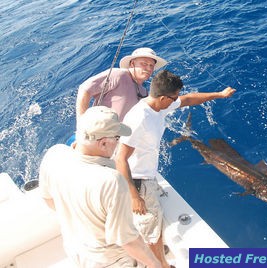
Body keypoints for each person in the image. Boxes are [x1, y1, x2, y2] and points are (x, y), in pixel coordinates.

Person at [115, 70, 236, 268]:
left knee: (151, 228)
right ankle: (160, 265)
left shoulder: (158, 106)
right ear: (163, 97)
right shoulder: (139, 119)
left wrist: (219, 94)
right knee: (152, 232)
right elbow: (121, 159)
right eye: (174, 98)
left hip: (146, 176)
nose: (176, 101)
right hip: (138, 181)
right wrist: (135, 196)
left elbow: (188, 99)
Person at [39, 106, 161, 268]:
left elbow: (48, 199)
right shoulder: (112, 180)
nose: (119, 143)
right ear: (103, 143)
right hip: (112, 261)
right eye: (117, 138)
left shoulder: (54, 154)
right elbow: (127, 241)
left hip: (76, 250)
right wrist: (155, 265)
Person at [76, 47, 167, 122]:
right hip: (96, 132)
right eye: (144, 64)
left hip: (116, 139)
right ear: (132, 64)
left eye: (151, 65)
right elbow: (85, 88)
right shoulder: (119, 74)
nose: (148, 68)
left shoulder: (144, 92)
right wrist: (82, 125)